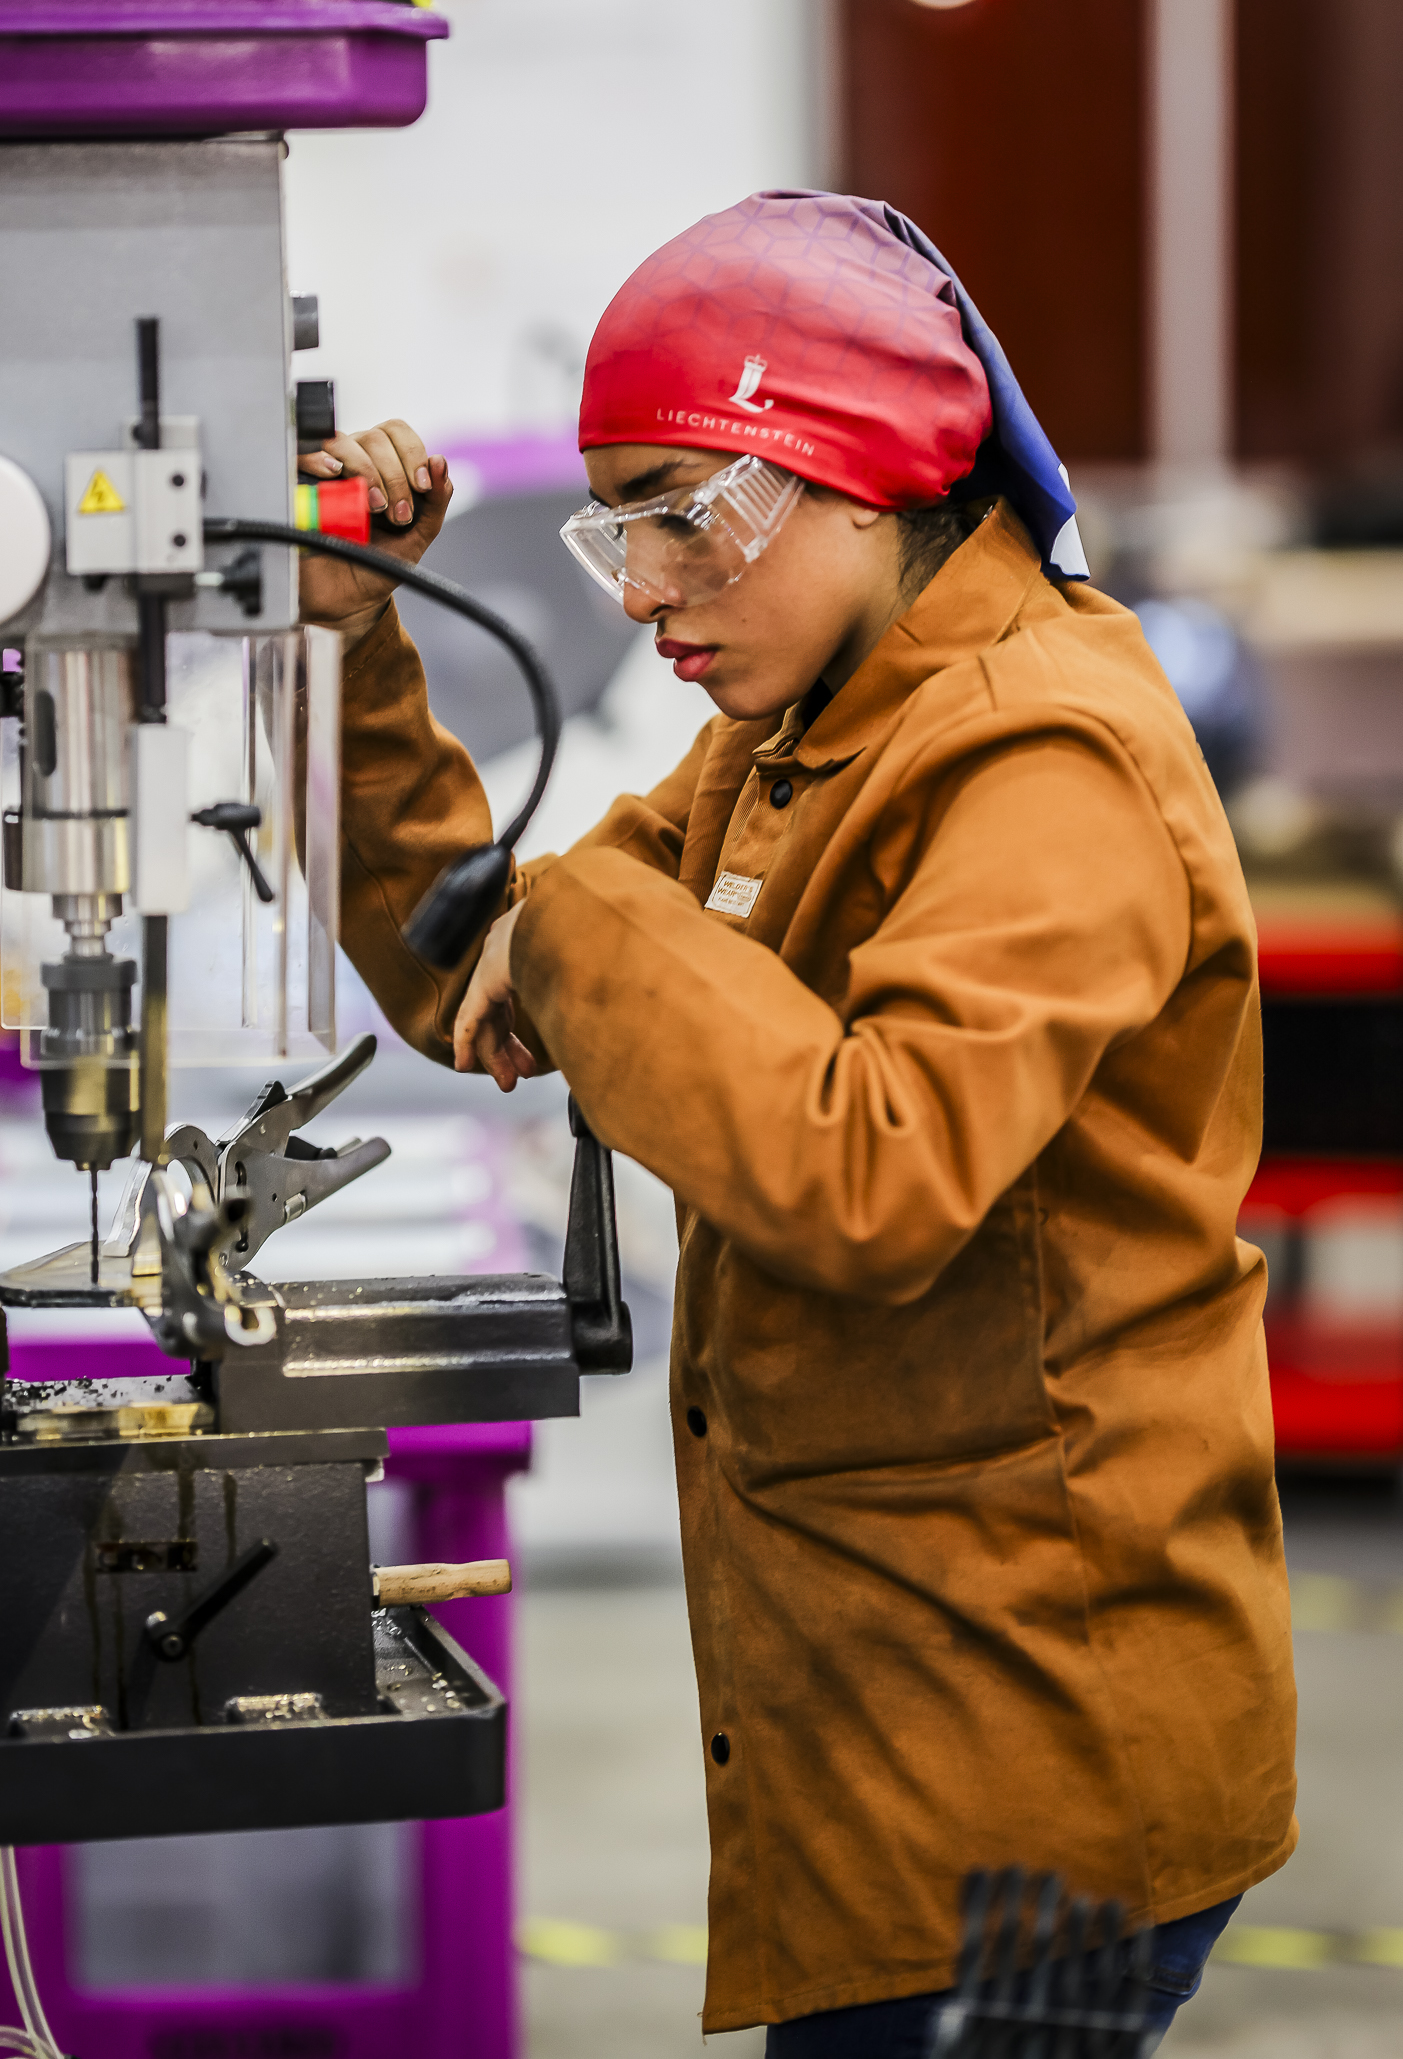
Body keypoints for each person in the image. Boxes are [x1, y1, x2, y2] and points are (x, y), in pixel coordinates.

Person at [297, 191, 1297, 2053]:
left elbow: (871, 1171)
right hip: (895, 1703)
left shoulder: (1038, 751)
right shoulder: (813, 720)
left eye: (688, 514)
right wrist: (359, 649)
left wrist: (587, 923)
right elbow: (479, 975)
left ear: (861, 477)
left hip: (1031, 1768)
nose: (643, 588)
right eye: (621, 525)